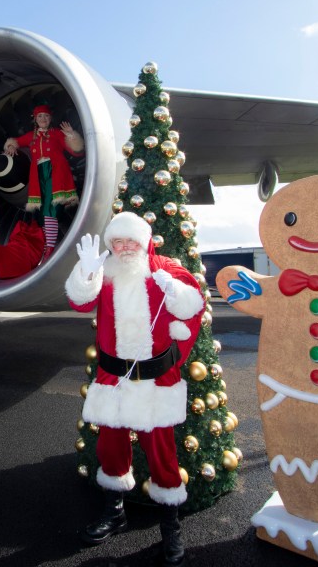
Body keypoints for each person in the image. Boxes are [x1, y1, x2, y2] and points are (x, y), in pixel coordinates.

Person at [64, 212, 206, 567]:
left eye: (130, 242)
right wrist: (86, 272)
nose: (124, 248)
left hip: (155, 381)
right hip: (114, 380)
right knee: (110, 449)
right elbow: (79, 301)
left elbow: (192, 306)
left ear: (144, 242)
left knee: (163, 454)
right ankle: (114, 513)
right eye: (118, 242)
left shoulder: (165, 269)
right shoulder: (105, 273)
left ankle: (170, 527)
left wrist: (175, 293)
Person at [3, 104, 83, 261]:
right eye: (40, 116)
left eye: (46, 116)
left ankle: (49, 248)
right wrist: (11, 146)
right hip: (39, 177)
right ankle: (47, 246)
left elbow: (77, 152)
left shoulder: (58, 134)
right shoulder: (31, 136)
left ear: (50, 118)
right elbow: (15, 141)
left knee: (50, 211)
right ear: (35, 119)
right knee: (44, 213)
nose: (43, 119)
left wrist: (71, 135)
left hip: (56, 174)